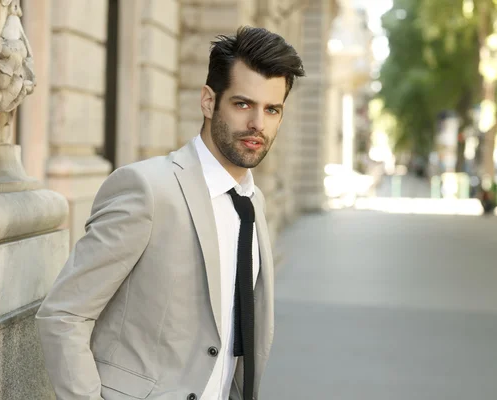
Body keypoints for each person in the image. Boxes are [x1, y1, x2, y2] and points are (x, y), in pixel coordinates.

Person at [36, 26, 304, 400]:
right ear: (209, 102)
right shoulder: (147, 189)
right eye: (243, 104)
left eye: (271, 109)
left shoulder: (253, 202)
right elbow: (64, 315)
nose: (257, 123)